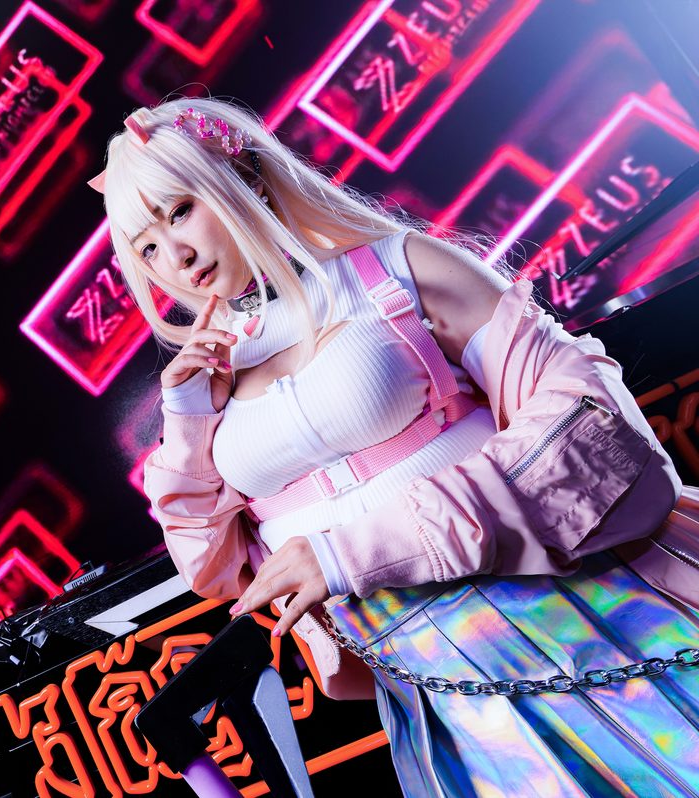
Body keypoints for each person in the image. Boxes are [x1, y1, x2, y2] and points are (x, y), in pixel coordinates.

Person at [88, 96, 699, 797]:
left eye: (178, 211)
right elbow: (215, 568)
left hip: (575, 610)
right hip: (441, 687)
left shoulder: (395, 272)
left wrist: (350, 554)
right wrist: (189, 417)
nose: (176, 256)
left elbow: (590, 421)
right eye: (147, 247)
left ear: (244, 175)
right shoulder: (210, 378)